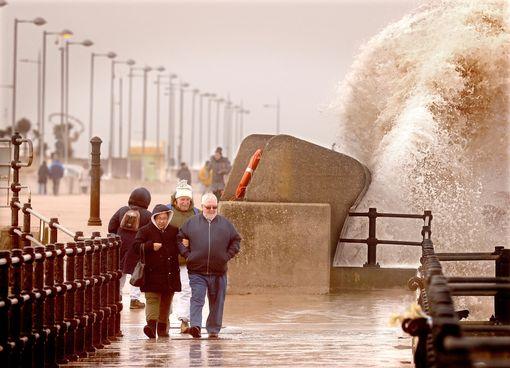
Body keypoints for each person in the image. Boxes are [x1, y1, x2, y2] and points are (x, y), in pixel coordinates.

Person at [178, 192, 241, 339]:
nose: (212, 210)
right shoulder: (191, 223)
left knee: (217, 302)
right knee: (197, 299)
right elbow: (179, 238)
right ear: (202, 207)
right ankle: (196, 327)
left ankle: (213, 330)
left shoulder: (226, 224)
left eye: (214, 207)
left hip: (218, 271)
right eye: (208, 207)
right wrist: (187, 255)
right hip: (197, 271)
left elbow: (236, 240)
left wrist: (227, 256)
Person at [133, 204, 181, 339]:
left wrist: (185, 244)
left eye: (164, 218)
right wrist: (149, 246)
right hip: (151, 273)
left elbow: (179, 246)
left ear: (168, 218)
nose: (162, 221)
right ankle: (151, 327)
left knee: (166, 302)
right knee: (152, 300)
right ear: (154, 218)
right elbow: (135, 246)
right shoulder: (145, 230)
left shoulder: (173, 231)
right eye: (159, 218)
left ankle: (162, 329)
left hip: (169, 274)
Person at [108, 187, 152, 310]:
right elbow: (151, 232)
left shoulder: (123, 210)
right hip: (137, 249)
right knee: (137, 273)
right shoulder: (148, 215)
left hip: (120, 246)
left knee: (120, 272)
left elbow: (111, 225)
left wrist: (117, 235)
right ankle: (134, 300)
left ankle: (117, 296)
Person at [166, 180, 200, 334]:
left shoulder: (197, 214)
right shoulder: (166, 213)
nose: (185, 202)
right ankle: (164, 319)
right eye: (182, 199)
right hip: (169, 259)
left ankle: (184, 321)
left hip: (188, 260)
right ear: (176, 200)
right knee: (167, 290)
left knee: (187, 290)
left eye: (187, 199)